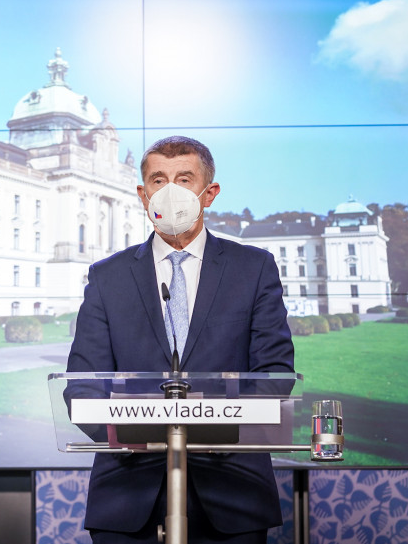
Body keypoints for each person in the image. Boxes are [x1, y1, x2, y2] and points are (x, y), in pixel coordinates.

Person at [66, 136, 294, 544]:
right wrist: (132, 435)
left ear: (210, 193)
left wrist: (220, 431)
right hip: (128, 494)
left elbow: (274, 374)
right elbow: (82, 385)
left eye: (184, 179)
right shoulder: (107, 276)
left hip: (232, 491)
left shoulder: (254, 268)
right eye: (158, 180)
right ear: (143, 195)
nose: (170, 191)